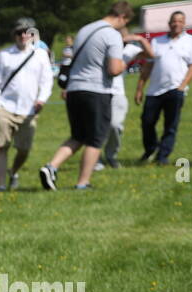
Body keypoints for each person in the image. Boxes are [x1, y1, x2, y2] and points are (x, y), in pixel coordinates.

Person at [39, 2, 134, 191]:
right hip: (96, 91)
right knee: (96, 138)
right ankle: (83, 182)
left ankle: (51, 167)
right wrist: (123, 64)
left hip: (74, 89)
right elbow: (114, 69)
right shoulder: (112, 34)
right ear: (122, 18)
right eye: (125, 23)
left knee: (78, 135)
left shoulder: (84, 30)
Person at [0, 17, 53, 190]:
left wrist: (42, 99)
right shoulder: (4, 55)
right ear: (14, 35)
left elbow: (47, 81)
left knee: (24, 149)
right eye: (19, 33)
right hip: (5, 107)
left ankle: (13, 171)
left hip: (29, 109)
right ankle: (1, 185)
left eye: (27, 32)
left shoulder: (40, 55)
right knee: (2, 146)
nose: (23, 36)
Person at [136, 10, 192, 165]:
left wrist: (182, 86)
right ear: (169, 23)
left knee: (170, 125)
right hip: (154, 90)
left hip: (176, 89)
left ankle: (163, 156)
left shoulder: (191, 41)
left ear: (184, 24)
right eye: (174, 21)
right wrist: (140, 87)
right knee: (147, 121)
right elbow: (147, 66)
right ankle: (150, 148)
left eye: (180, 21)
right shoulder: (157, 41)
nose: (176, 24)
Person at [103, 28, 145, 168]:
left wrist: (140, 39)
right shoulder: (103, 47)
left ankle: (111, 155)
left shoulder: (130, 49)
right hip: (99, 90)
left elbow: (152, 55)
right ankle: (95, 159)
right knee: (98, 127)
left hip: (118, 92)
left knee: (115, 125)